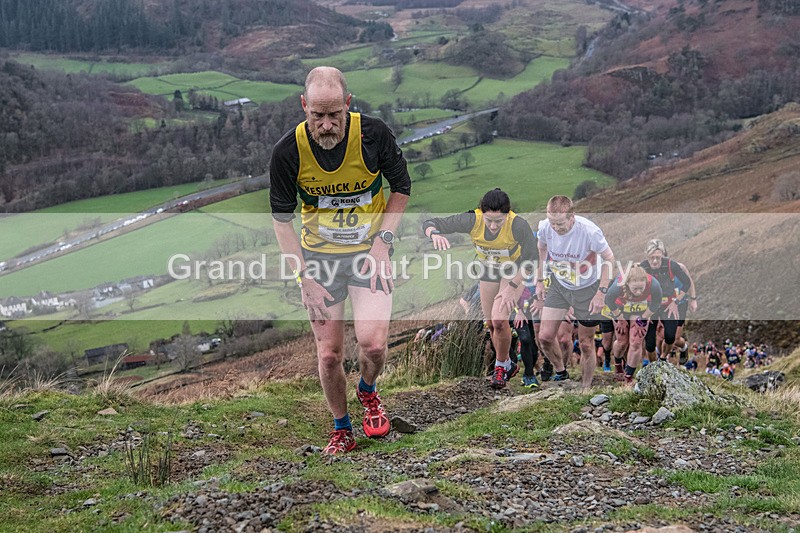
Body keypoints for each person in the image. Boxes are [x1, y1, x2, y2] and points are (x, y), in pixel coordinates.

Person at [269, 66, 411, 455]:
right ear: (304, 107)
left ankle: (368, 391)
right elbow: (282, 220)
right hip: (320, 261)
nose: (328, 125)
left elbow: (401, 187)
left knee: (374, 345)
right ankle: (341, 428)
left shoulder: (374, 135)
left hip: (369, 253)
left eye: (335, 114)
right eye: (318, 116)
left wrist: (383, 243)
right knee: (329, 354)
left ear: (348, 104)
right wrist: (304, 279)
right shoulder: (287, 152)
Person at [423, 188, 538, 389]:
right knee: (492, 324)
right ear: (481, 212)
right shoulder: (472, 220)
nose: (493, 226)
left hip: (513, 271)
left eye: (498, 221)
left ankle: (500, 366)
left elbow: (532, 260)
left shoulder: (518, 225)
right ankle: (509, 363)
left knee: (501, 320)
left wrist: (512, 286)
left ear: (507, 214)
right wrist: (434, 235)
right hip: (489, 271)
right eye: (489, 220)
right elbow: (431, 223)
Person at [534, 195, 615, 391]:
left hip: (588, 289)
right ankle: (561, 372)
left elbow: (609, 260)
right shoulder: (545, 226)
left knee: (586, 344)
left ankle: (585, 387)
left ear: (572, 217)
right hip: (559, 285)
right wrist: (540, 280)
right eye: (552, 223)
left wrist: (601, 293)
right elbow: (541, 249)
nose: (555, 228)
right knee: (544, 337)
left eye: (560, 224)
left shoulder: (589, 231)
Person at [604, 264, 663, 384]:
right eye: (635, 289)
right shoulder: (618, 286)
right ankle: (618, 364)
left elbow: (656, 302)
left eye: (641, 288)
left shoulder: (654, 284)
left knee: (636, 341)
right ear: (627, 284)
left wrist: (643, 318)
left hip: (640, 309)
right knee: (622, 341)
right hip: (620, 307)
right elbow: (609, 300)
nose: (638, 292)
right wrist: (619, 318)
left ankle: (628, 376)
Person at [640, 239, 693, 365]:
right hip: (650, 306)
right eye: (652, 258)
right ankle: (653, 366)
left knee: (670, 336)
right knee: (650, 342)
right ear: (647, 256)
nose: (655, 261)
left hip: (668, 305)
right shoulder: (642, 267)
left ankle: (663, 359)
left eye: (658, 258)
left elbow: (687, 282)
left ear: (662, 255)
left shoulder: (671, 265)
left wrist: (676, 301)